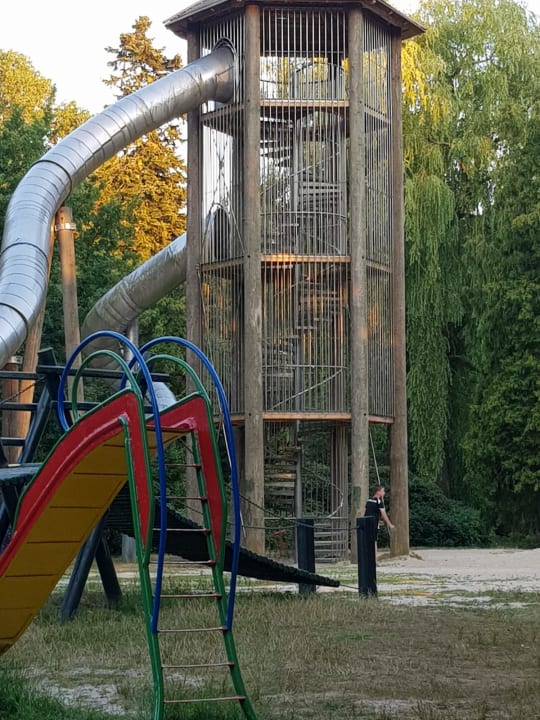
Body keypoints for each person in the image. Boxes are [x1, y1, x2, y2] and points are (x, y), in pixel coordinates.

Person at [364, 485, 395, 555]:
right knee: (374, 541)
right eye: (383, 491)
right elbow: (383, 514)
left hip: (367, 523)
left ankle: (369, 556)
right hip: (373, 524)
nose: (384, 493)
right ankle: (374, 558)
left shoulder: (369, 500)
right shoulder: (379, 502)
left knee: (368, 541)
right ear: (378, 492)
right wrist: (389, 524)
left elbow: (368, 512)